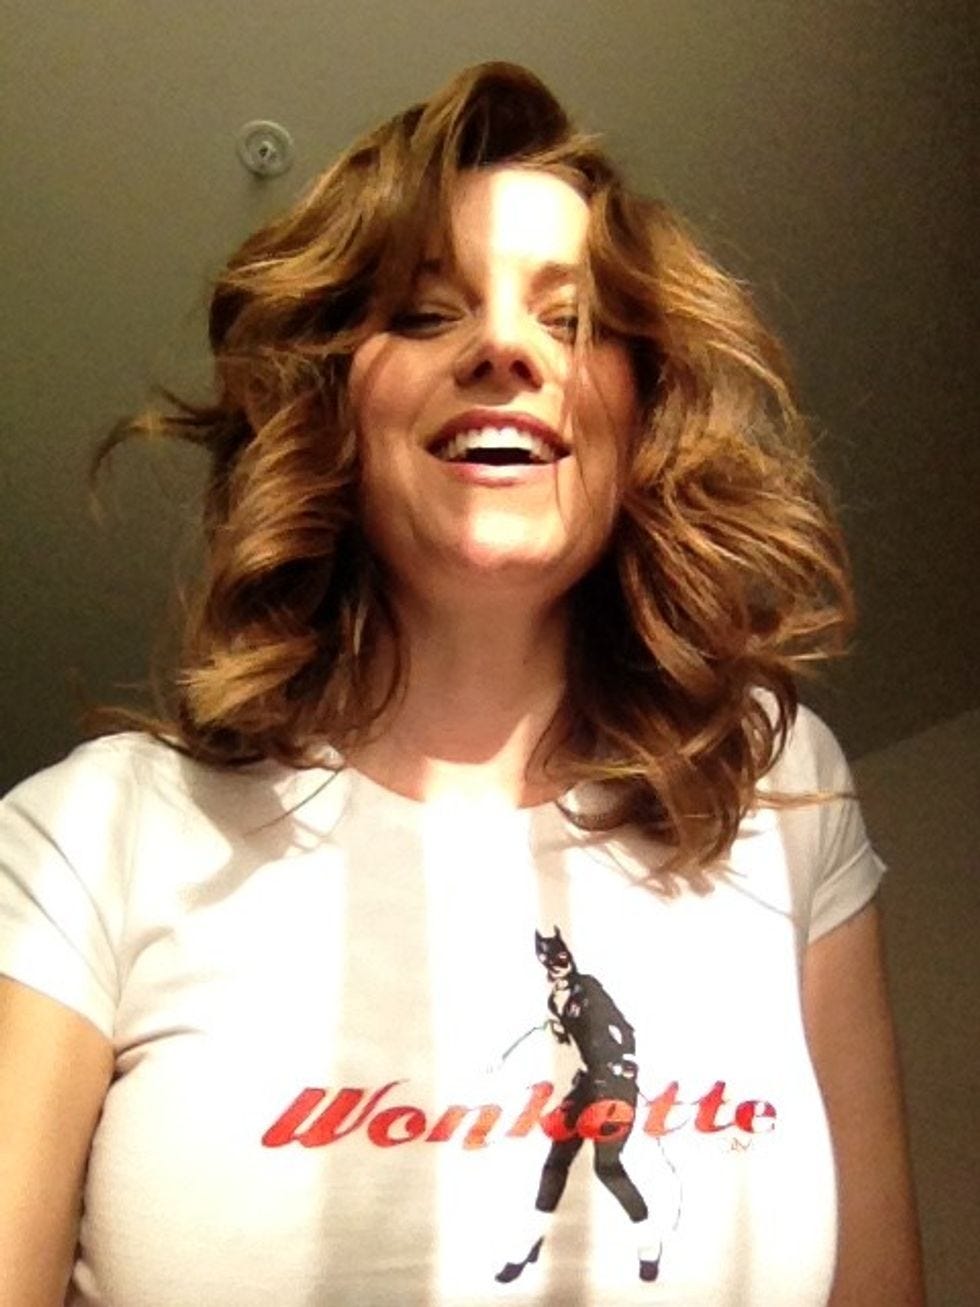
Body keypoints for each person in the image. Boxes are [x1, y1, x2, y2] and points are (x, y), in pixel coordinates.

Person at [0, 62, 924, 1306]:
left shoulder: (774, 786)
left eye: (572, 318)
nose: (502, 346)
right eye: (427, 312)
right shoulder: (92, 837)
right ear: (333, 403)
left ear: (639, 407)